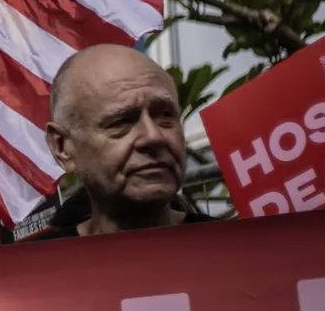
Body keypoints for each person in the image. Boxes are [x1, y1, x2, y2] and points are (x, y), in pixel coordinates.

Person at [38, 44, 208, 238]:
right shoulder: (34, 265)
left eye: (165, 115)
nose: (153, 136)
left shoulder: (239, 251)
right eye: (121, 121)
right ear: (62, 147)